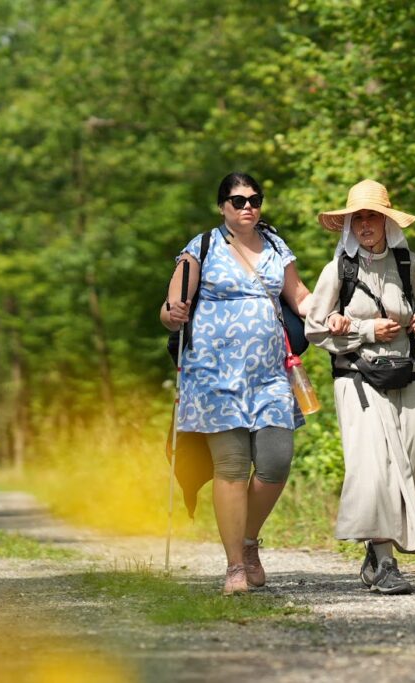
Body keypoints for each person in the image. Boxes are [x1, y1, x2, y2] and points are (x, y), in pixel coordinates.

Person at [160, 172, 313, 594]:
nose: (248, 207)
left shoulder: (276, 245)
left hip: (269, 376)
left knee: (276, 463)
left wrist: (333, 312)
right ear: (222, 206)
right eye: (238, 200)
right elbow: (170, 309)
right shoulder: (201, 248)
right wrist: (173, 314)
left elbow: (299, 296)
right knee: (231, 467)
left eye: (254, 200)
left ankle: (248, 541)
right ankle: (234, 568)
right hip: (213, 377)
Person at [305, 179, 415, 595]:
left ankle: (375, 553)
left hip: (405, 376)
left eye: (373, 216)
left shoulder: (407, 264)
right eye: (358, 218)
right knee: (375, 467)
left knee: (408, 457)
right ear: (349, 225)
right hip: (358, 380)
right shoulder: (338, 270)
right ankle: (386, 563)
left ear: (388, 222)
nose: (365, 225)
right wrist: (365, 330)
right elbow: (315, 327)